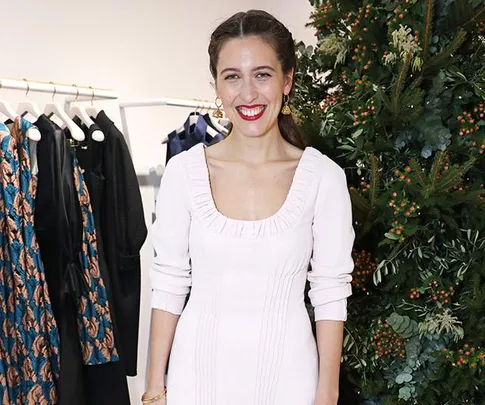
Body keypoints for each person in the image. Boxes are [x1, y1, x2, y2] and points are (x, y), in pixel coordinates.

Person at [143, 9, 355, 405]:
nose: (248, 94)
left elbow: (329, 293)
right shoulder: (183, 173)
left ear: (287, 79)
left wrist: (327, 393)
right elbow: (169, 284)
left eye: (262, 74)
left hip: (290, 380)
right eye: (232, 77)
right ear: (217, 87)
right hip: (196, 378)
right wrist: (155, 387)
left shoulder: (323, 179)